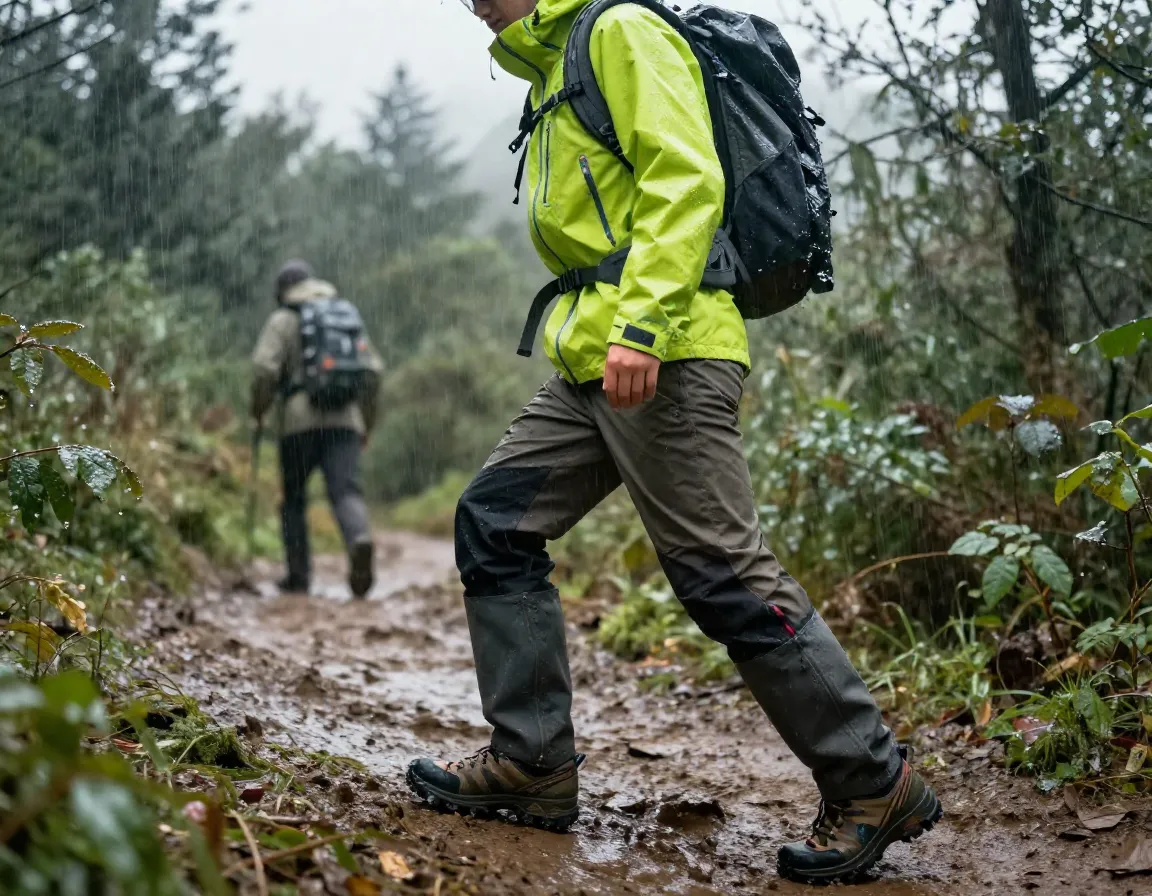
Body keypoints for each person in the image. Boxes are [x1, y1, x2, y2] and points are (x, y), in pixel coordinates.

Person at [406, 0, 942, 883]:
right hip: (593, 351)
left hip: (666, 348)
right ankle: (533, 764)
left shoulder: (616, 29)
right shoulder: (550, 68)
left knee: (721, 571)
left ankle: (873, 779)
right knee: (495, 522)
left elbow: (686, 176)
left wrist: (645, 325)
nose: (470, 1)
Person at [250, 260, 383, 599]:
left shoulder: (283, 318)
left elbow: (264, 369)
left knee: (294, 499)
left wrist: (259, 410)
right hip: (345, 421)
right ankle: (358, 541)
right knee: (346, 492)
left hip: (298, 422)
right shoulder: (343, 314)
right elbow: (372, 372)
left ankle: (298, 576)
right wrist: (366, 422)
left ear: (281, 291)